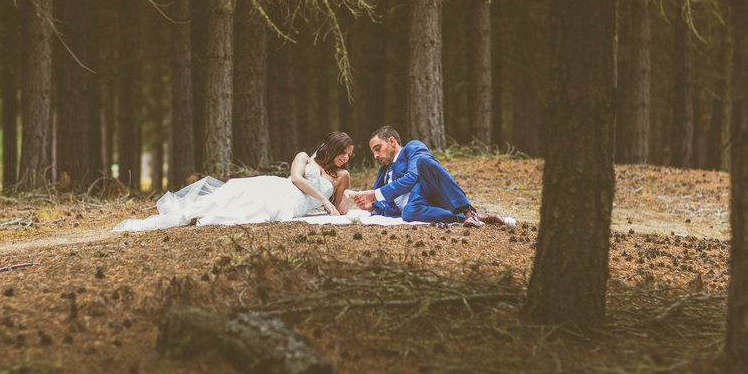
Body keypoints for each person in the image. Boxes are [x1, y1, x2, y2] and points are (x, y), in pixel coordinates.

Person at [112, 131, 354, 232]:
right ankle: (198, 213)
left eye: (350, 155)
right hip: (283, 189)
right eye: (343, 152)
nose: (346, 158)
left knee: (262, 211)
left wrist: (349, 195)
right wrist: (323, 199)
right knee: (241, 192)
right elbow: (295, 179)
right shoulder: (303, 158)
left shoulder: (342, 176)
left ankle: (206, 217)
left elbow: (341, 211)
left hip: (295, 207)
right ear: (332, 148)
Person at [350, 125, 510, 226]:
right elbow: (387, 204)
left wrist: (375, 195)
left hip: (426, 191)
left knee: (423, 163)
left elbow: (413, 177)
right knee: (408, 213)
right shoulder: (383, 171)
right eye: (373, 152)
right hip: (412, 208)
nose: (376, 156)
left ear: (392, 141)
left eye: (378, 148)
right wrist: (372, 205)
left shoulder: (412, 148)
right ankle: (469, 216)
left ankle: (468, 210)